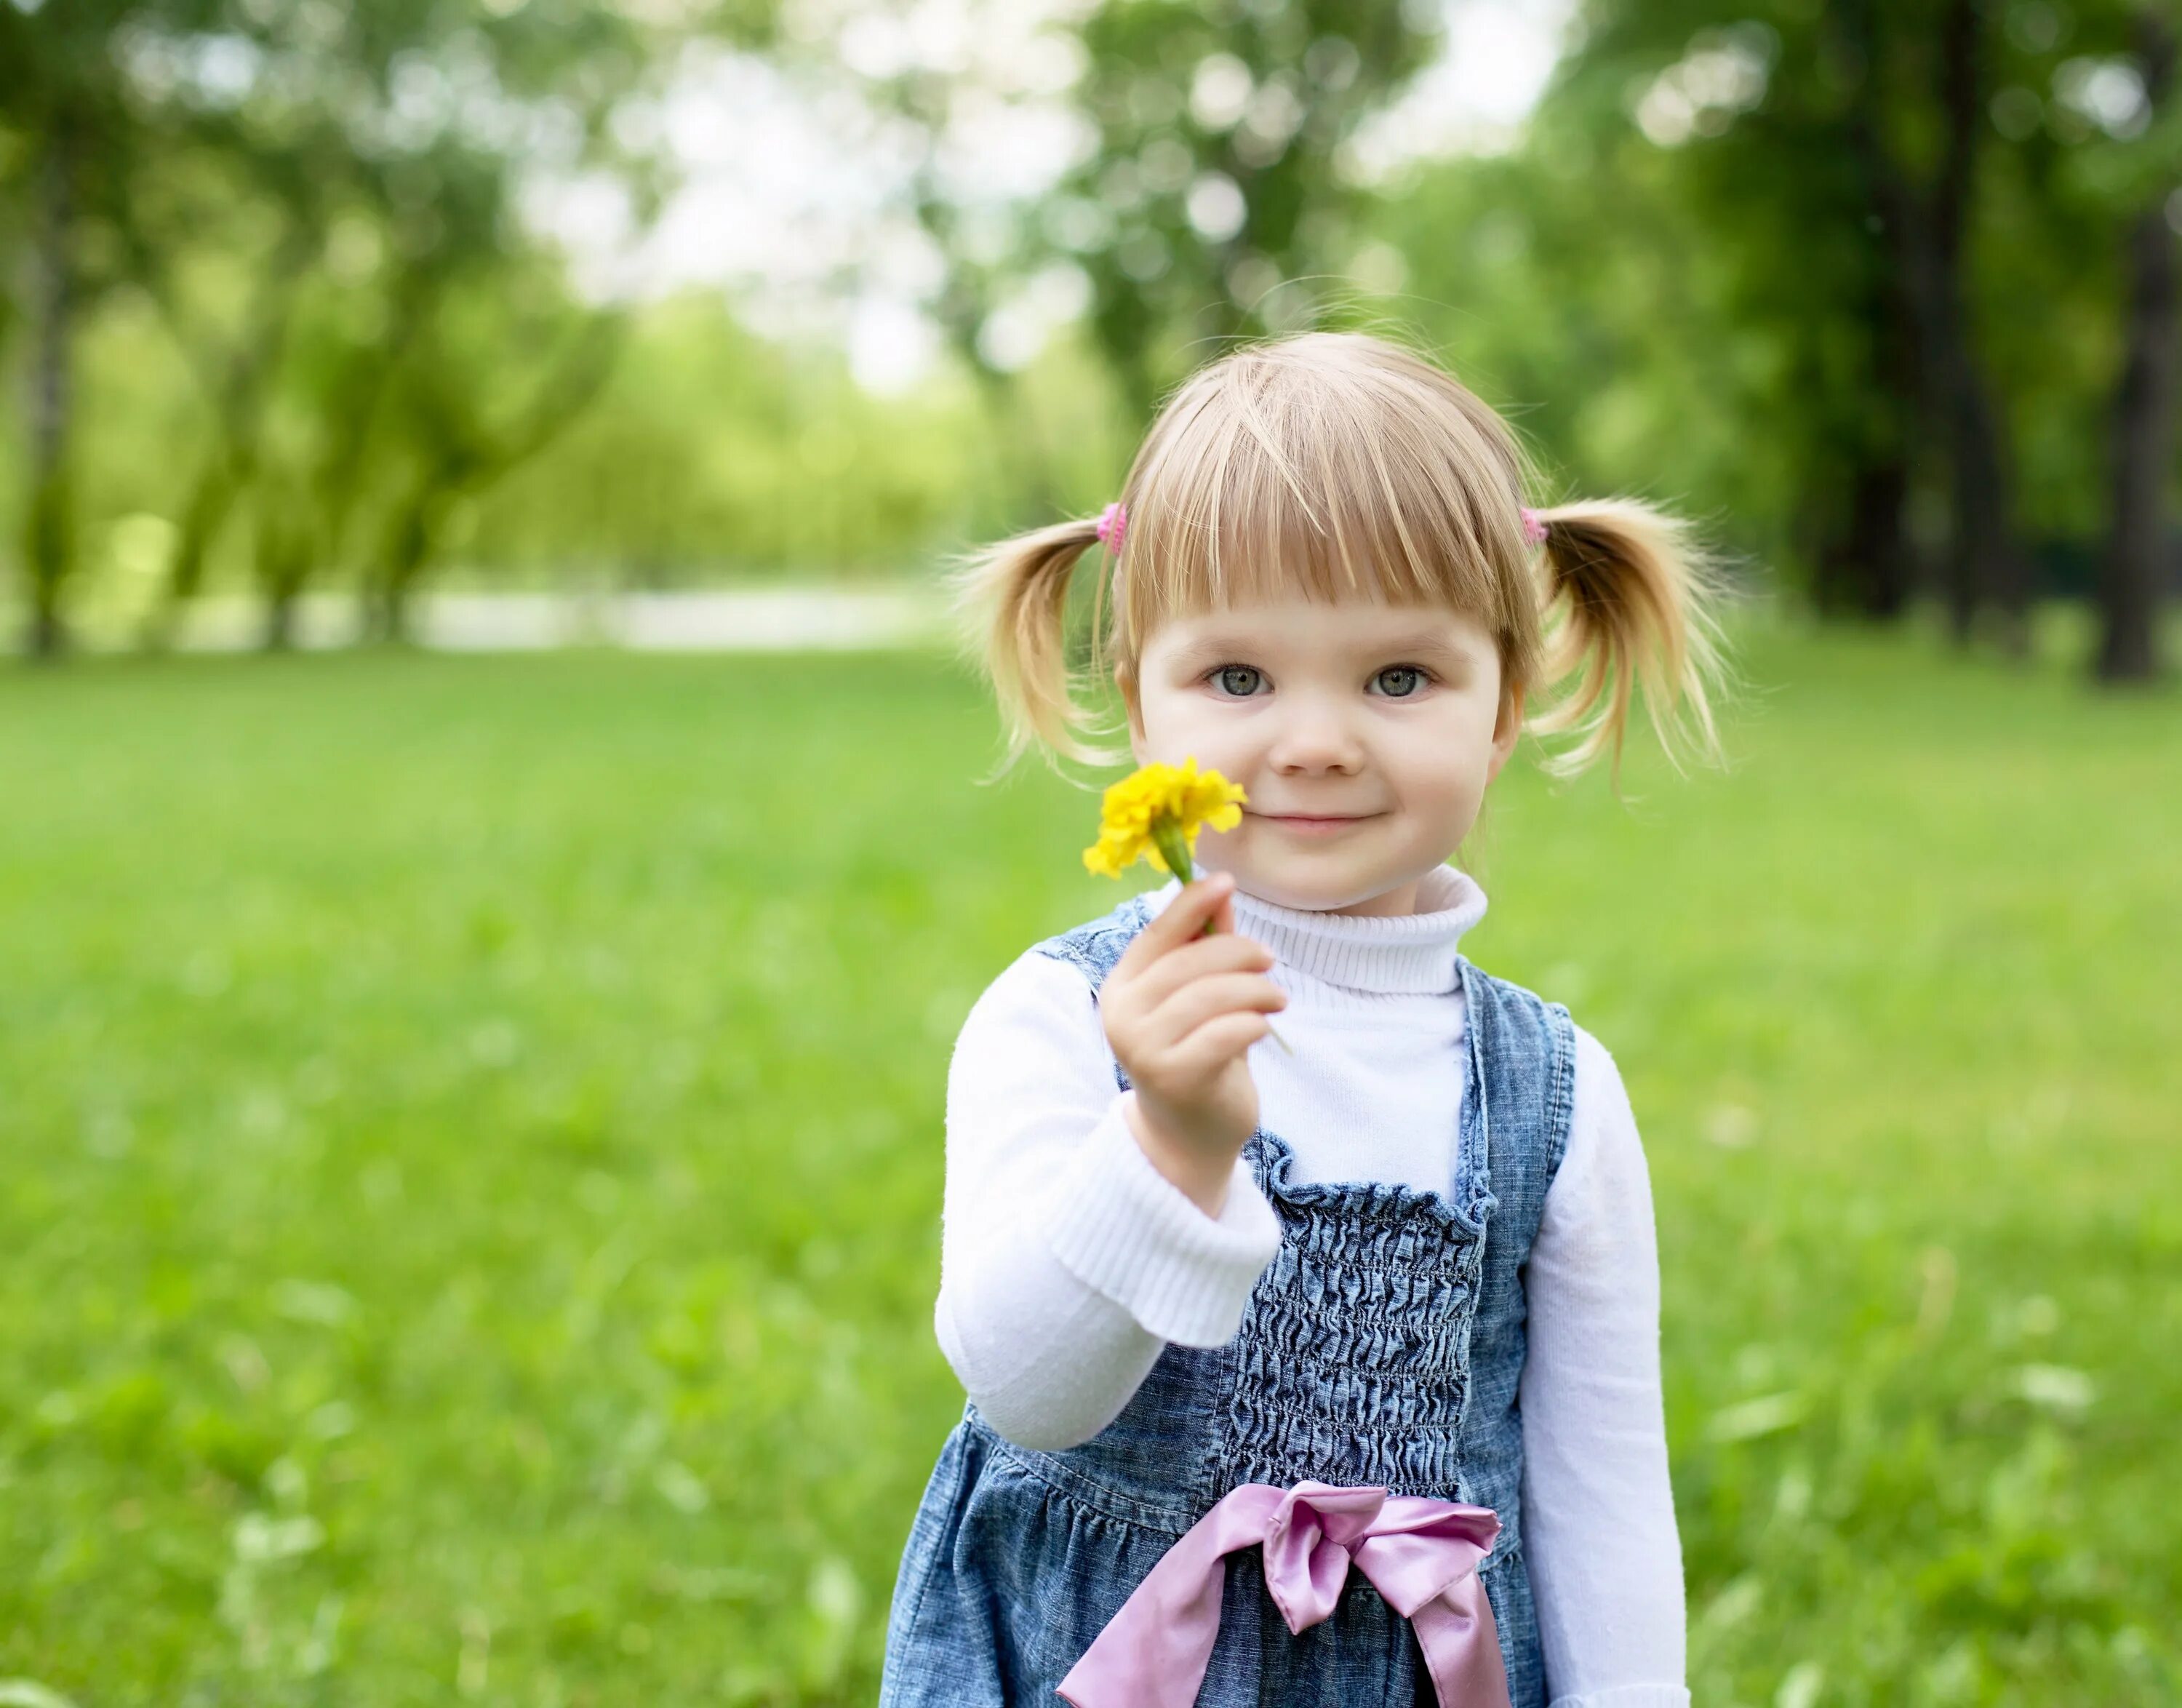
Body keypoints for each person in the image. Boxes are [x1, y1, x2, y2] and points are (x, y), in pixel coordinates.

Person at [879, 331, 1725, 1708]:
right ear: (1138, 696)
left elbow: (1604, 1501)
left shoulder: (1556, 1094)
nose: (1317, 739)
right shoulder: (1061, 1021)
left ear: (1503, 708)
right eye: (1238, 680)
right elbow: (1026, 1395)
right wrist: (1171, 1144)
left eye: (1399, 679)